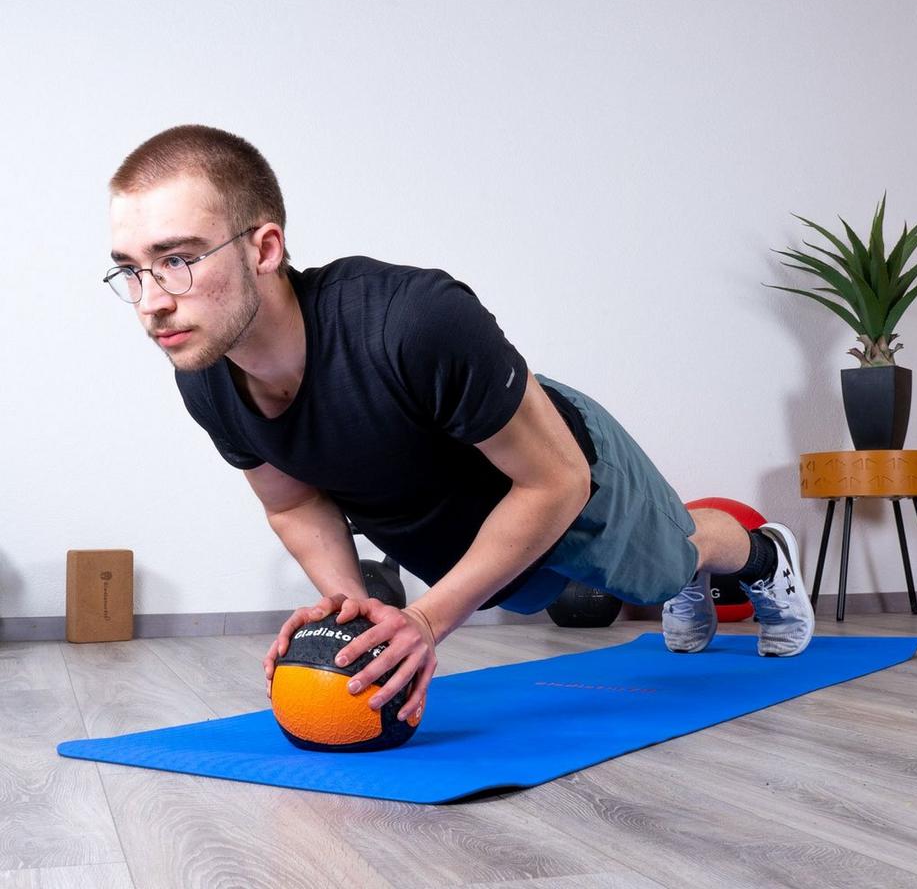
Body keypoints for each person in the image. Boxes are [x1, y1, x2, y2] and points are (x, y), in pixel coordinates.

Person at [105, 125, 815, 724]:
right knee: (534, 593)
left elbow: (555, 480)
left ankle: (759, 555)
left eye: (177, 260)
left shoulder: (412, 321)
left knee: (659, 571)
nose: (150, 302)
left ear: (264, 249)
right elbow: (292, 502)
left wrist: (424, 620)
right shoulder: (205, 374)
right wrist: (351, 611)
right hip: (462, 530)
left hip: (560, 475)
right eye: (130, 270)